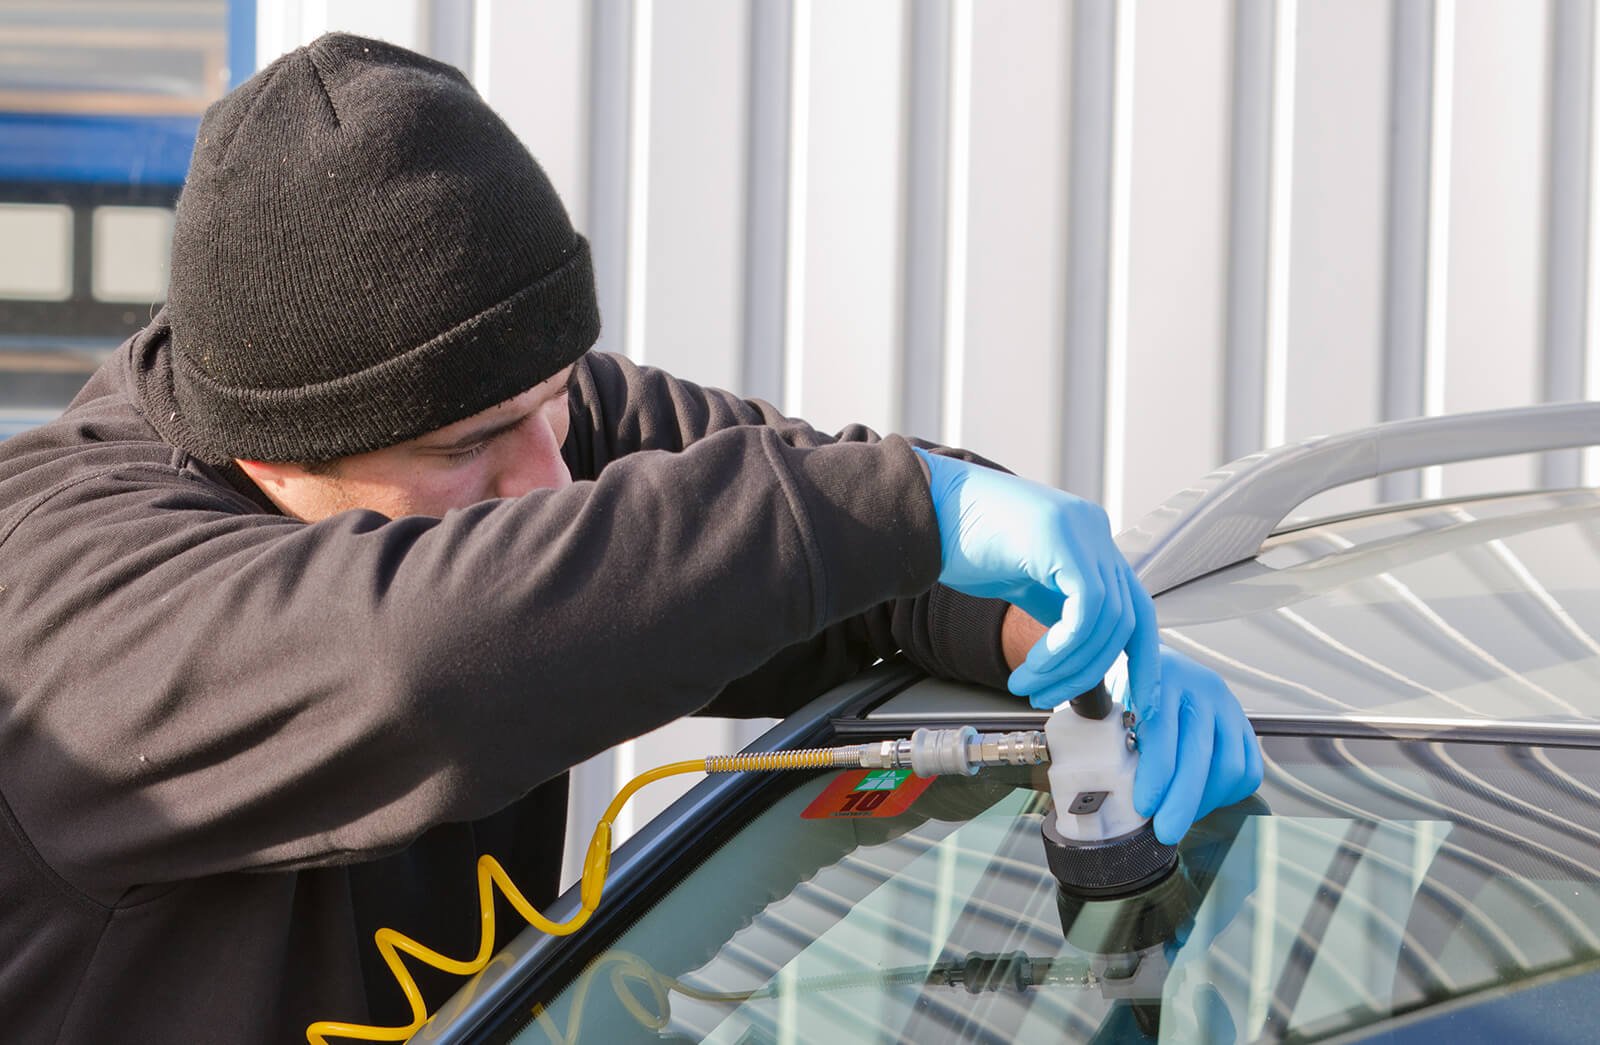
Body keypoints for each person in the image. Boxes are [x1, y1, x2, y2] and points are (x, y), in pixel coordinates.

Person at [0, 33, 1260, 1044]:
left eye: (558, 404)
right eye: (472, 449)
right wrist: (899, 512)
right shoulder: (68, 602)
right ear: (276, 455)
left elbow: (823, 534)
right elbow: (427, 658)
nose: (550, 477)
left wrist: (1050, 636)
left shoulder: (489, 411)